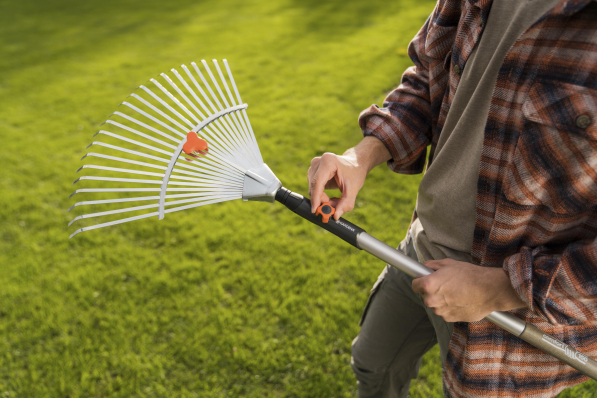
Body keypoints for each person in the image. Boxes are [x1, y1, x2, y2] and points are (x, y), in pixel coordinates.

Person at [307, 0, 597, 397]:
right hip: (421, 245)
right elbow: (427, 78)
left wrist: (501, 289)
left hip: (513, 309)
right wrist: (362, 155)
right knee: (373, 365)